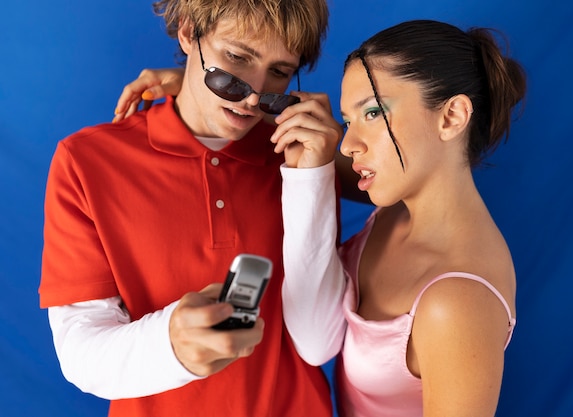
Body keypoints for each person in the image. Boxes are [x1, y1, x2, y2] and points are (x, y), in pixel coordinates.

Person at [39, 1, 343, 416]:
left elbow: (317, 341)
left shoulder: (300, 152)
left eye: (279, 72)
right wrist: (170, 342)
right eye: (236, 57)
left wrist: (313, 174)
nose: (254, 96)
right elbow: (80, 352)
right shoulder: (87, 161)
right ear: (187, 32)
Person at [274, 20, 526, 416]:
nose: (349, 144)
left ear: (452, 117)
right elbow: (307, 144)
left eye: (373, 113)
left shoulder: (456, 302)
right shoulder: (394, 198)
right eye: (348, 121)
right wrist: (199, 88)